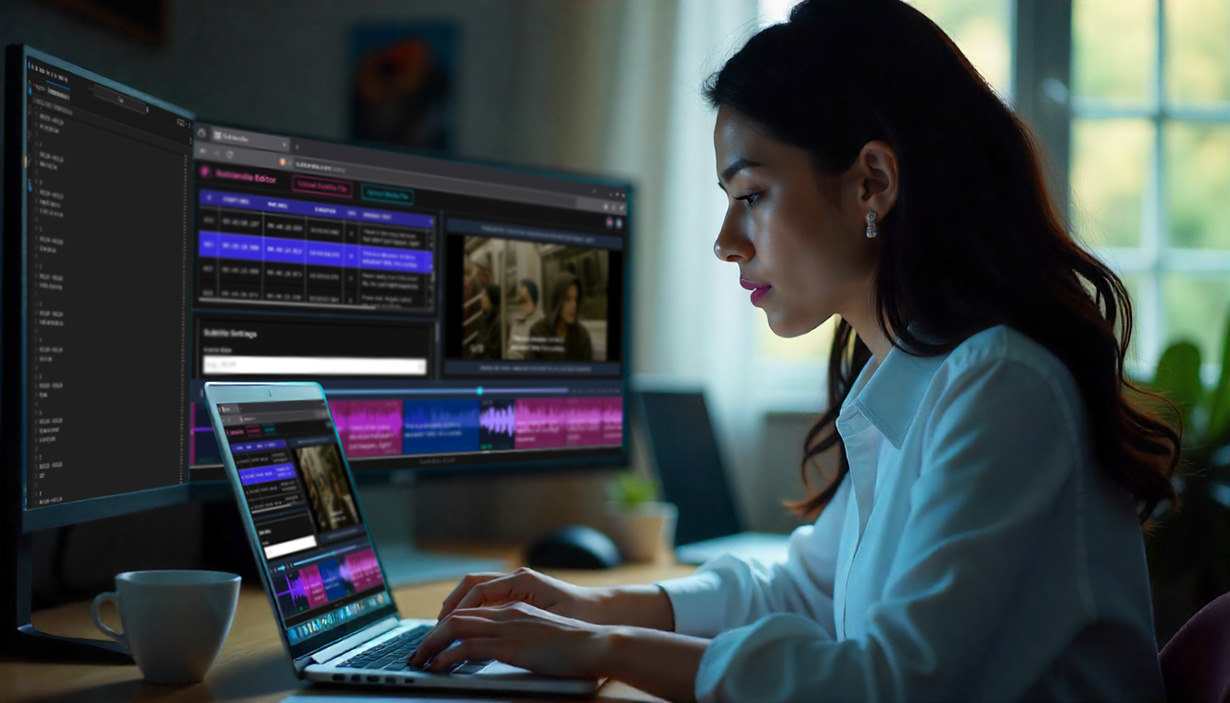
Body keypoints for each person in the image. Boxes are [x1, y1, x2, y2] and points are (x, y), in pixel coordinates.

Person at [406, 2, 1179, 700]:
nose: (724, 240)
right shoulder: (916, 375)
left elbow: (892, 685)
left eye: (750, 195)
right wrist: (585, 603)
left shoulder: (1003, 385)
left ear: (872, 182)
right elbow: (803, 589)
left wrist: (604, 646)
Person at [526, 272, 593, 361]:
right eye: (567, 299)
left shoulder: (581, 336)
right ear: (557, 301)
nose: (574, 305)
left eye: (576, 299)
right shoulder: (538, 331)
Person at [506, 278, 543, 360]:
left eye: (522, 287)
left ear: (530, 293)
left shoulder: (539, 322)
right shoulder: (517, 322)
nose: (518, 290)